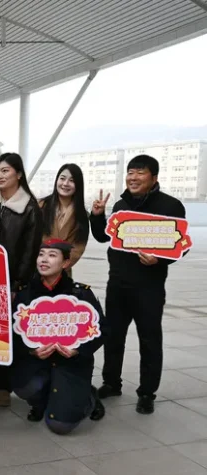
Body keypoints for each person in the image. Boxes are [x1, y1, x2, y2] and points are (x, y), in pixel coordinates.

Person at [90, 154, 186, 415]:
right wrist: (97, 216)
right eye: (130, 172)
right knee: (113, 336)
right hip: (118, 284)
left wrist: (160, 259)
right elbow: (103, 237)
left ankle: (146, 393)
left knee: (150, 340)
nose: (132, 177)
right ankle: (111, 383)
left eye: (140, 172)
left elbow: (181, 245)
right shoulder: (121, 205)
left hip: (149, 287)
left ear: (154, 178)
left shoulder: (170, 206)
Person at [12, 239, 106, 434]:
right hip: (37, 362)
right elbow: (13, 333)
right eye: (41, 255)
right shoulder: (25, 294)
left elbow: (102, 330)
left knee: (60, 426)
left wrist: (77, 350)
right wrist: (32, 350)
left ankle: (89, 398)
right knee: (25, 386)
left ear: (65, 263)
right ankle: (41, 403)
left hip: (69, 363)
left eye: (52, 255)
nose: (44, 260)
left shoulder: (80, 294)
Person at [0, 152, 43, 407]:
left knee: (9, 335)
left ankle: (4, 385)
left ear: (19, 174)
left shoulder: (30, 208)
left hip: (13, 282)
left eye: (5, 171)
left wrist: (17, 284)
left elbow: (30, 250)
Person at [39, 164, 90, 277]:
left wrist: (59, 265)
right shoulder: (40, 206)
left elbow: (79, 247)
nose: (65, 183)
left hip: (62, 272)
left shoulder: (82, 215)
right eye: (62, 178)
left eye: (72, 180)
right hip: (37, 269)